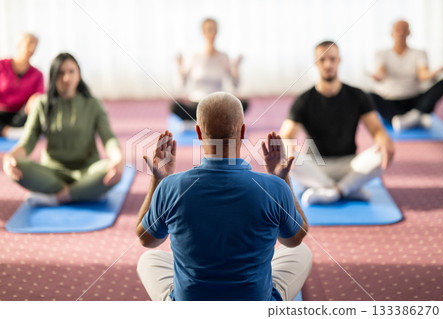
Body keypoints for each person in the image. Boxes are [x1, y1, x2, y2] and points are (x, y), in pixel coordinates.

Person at [136, 92, 311, 301]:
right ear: (243, 131)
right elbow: (294, 239)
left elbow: (146, 239)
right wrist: (283, 179)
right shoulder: (274, 187)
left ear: (198, 132)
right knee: (302, 252)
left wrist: (158, 180)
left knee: (149, 258)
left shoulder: (170, 187)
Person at [279, 41, 395, 206]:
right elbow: (286, 134)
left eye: (332, 59)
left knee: (384, 153)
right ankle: (349, 188)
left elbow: (376, 129)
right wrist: (288, 145)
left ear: (339, 60)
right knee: (286, 155)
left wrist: (384, 140)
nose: (328, 64)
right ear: (316, 63)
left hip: (350, 164)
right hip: (317, 166)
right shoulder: (304, 100)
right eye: (322, 60)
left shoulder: (357, 95)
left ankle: (333, 191)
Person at [3, 53, 124, 207]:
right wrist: (10, 158)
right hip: (52, 173)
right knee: (16, 167)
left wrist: (118, 159)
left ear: (79, 74)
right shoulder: (41, 104)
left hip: (87, 171)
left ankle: (58, 196)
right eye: (61, 73)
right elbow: (27, 142)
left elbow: (109, 138)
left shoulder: (93, 104)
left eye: (71, 72)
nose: (67, 77)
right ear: (54, 76)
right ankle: (83, 192)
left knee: (113, 170)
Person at [370, 20, 443, 131]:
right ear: (392, 33)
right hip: (391, 103)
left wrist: (436, 71)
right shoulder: (381, 54)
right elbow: (381, 72)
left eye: (404, 30)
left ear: (409, 33)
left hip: (414, 102)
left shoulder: (419, 53)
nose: (401, 33)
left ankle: (412, 117)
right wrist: (378, 77)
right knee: (369, 95)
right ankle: (415, 117)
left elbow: (423, 75)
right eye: (398, 30)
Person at [171, 18, 248, 123]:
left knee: (243, 104)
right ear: (203, 33)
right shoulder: (194, 56)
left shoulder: (223, 57)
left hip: (217, 104)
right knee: (174, 106)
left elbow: (235, 85)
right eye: (209, 29)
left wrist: (236, 68)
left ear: (217, 32)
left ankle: (207, 120)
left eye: (214, 29)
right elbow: (181, 84)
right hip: (197, 104)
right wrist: (180, 67)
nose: (211, 33)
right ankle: (211, 119)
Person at [0, 33, 44, 139]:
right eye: (29, 44)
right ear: (18, 45)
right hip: (1, 113)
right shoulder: (2, 65)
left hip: (21, 116)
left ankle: (15, 132)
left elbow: (40, 96)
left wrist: (34, 99)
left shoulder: (37, 74)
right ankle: (10, 133)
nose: (32, 48)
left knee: (38, 103)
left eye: (35, 45)